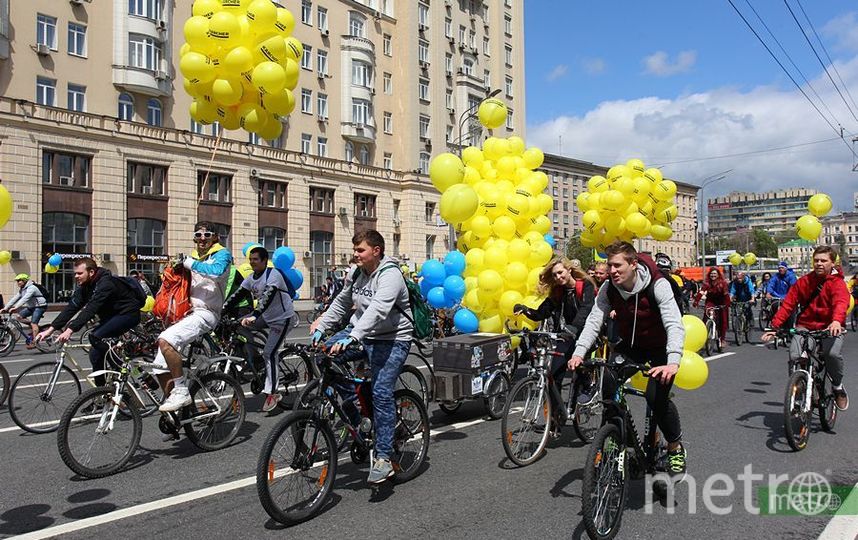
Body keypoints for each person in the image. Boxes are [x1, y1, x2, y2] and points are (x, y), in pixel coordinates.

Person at [568, 241, 687, 475]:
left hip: (660, 348)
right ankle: (616, 438)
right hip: (631, 346)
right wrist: (579, 353)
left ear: (633, 264)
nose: (612, 271)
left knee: (656, 398)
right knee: (609, 384)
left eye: (617, 265)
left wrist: (672, 361)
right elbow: (594, 321)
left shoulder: (658, 284)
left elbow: (674, 323)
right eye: (609, 265)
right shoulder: (609, 288)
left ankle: (675, 447)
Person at [312, 229, 412, 484]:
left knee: (381, 392)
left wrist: (354, 337)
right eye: (354, 249)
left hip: (392, 338)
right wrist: (322, 325)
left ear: (376, 251)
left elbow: (378, 310)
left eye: (360, 250)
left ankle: (384, 457)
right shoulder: (357, 273)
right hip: (361, 333)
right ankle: (359, 417)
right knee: (323, 357)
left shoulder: (390, 275)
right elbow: (341, 302)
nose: (355, 254)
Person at [154, 222, 233, 412]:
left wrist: (189, 263)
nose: (202, 238)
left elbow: (216, 272)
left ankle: (181, 391)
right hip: (189, 312)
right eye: (198, 235)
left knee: (166, 340)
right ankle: (181, 412)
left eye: (207, 235)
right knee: (159, 366)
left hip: (207, 313)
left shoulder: (222, 254)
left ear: (215, 237)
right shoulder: (194, 256)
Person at [762, 246, 850, 410]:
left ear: (832, 263)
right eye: (816, 260)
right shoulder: (804, 281)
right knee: (795, 354)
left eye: (823, 260)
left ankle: (837, 387)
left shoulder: (837, 283)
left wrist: (837, 321)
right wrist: (774, 327)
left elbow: (841, 303)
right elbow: (788, 304)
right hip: (805, 325)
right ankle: (799, 387)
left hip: (830, 327)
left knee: (831, 354)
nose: (819, 263)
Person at [35, 259, 144, 386]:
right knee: (95, 354)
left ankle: (119, 367)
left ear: (91, 272)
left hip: (128, 315)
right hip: (111, 318)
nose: (76, 276)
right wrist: (50, 330)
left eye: (79, 273)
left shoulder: (106, 283)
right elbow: (72, 307)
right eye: (75, 273)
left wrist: (69, 330)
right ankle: (102, 392)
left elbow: (91, 308)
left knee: (94, 337)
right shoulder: (85, 286)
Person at [513, 257, 597, 422]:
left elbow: (586, 309)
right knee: (553, 376)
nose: (558, 277)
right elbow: (542, 312)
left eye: (560, 272)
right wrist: (525, 310)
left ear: (569, 270)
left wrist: (574, 327)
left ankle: (588, 385)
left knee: (579, 366)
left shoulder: (585, 285)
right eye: (555, 275)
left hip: (587, 334)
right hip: (567, 335)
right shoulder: (559, 291)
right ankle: (556, 418)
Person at [223, 247, 295, 411]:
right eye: (250, 259)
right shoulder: (251, 278)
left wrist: (255, 315)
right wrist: (222, 310)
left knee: (269, 353)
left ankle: (273, 392)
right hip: (265, 316)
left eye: (255, 259)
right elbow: (238, 295)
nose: (252, 262)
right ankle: (255, 359)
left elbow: (268, 296)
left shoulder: (273, 274)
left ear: (264, 260)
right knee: (237, 326)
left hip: (282, 319)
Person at [1, 273, 48, 348]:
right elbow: (15, 298)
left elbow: (25, 298)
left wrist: (16, 307)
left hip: (40, 306)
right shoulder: (22, 289)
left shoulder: (31, 288)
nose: (18, 282)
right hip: (31, 307)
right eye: (17, 281)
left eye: (19, 280)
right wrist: (6, 308)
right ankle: (36, 328)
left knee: (33, 323)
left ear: (24, 281)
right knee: (18, 317)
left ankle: (34, 342)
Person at [695, 267, 730, 348]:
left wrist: (727, 303)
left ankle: (722, 339)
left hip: (721, 302)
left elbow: (726, 294)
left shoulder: (723, 283)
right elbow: (701, 292)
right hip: (711, 301)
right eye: (711, 273)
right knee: (706, 317)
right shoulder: (707, 283)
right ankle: (705, 335)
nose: (713, 275)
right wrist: (696, 301)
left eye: (714, 274)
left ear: (718, 275)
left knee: (723, 321)